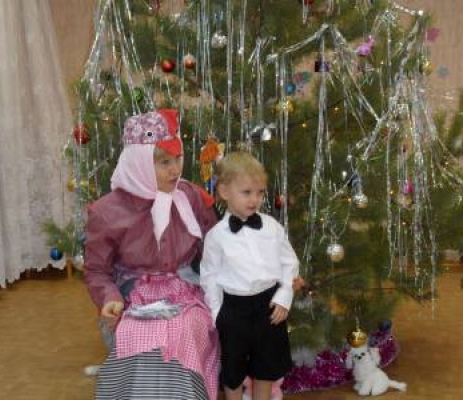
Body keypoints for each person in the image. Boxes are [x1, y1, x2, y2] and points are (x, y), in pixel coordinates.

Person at [83, 109, 219, 400]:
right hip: (132, 295)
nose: (175, 170)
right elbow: (97, 270)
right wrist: (109, 298)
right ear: (139, 163)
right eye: (164, 162)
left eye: (178, 159)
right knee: (138, 334)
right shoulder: (107, 211)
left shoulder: (191, 197)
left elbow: (219, 249)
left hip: (185, 292)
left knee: (183, 329)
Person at [200, 151, 300, 400]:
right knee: (232, 368)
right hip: (233, 310)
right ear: (224, 191)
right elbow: (209, 276)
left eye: (260, 192)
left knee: (266, 366)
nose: (255, 199)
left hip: (269, 306)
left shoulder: (272, 227)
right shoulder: (216, 236)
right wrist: (217, 313)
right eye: (246, 192)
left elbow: (289, 262)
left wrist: (284, 296)